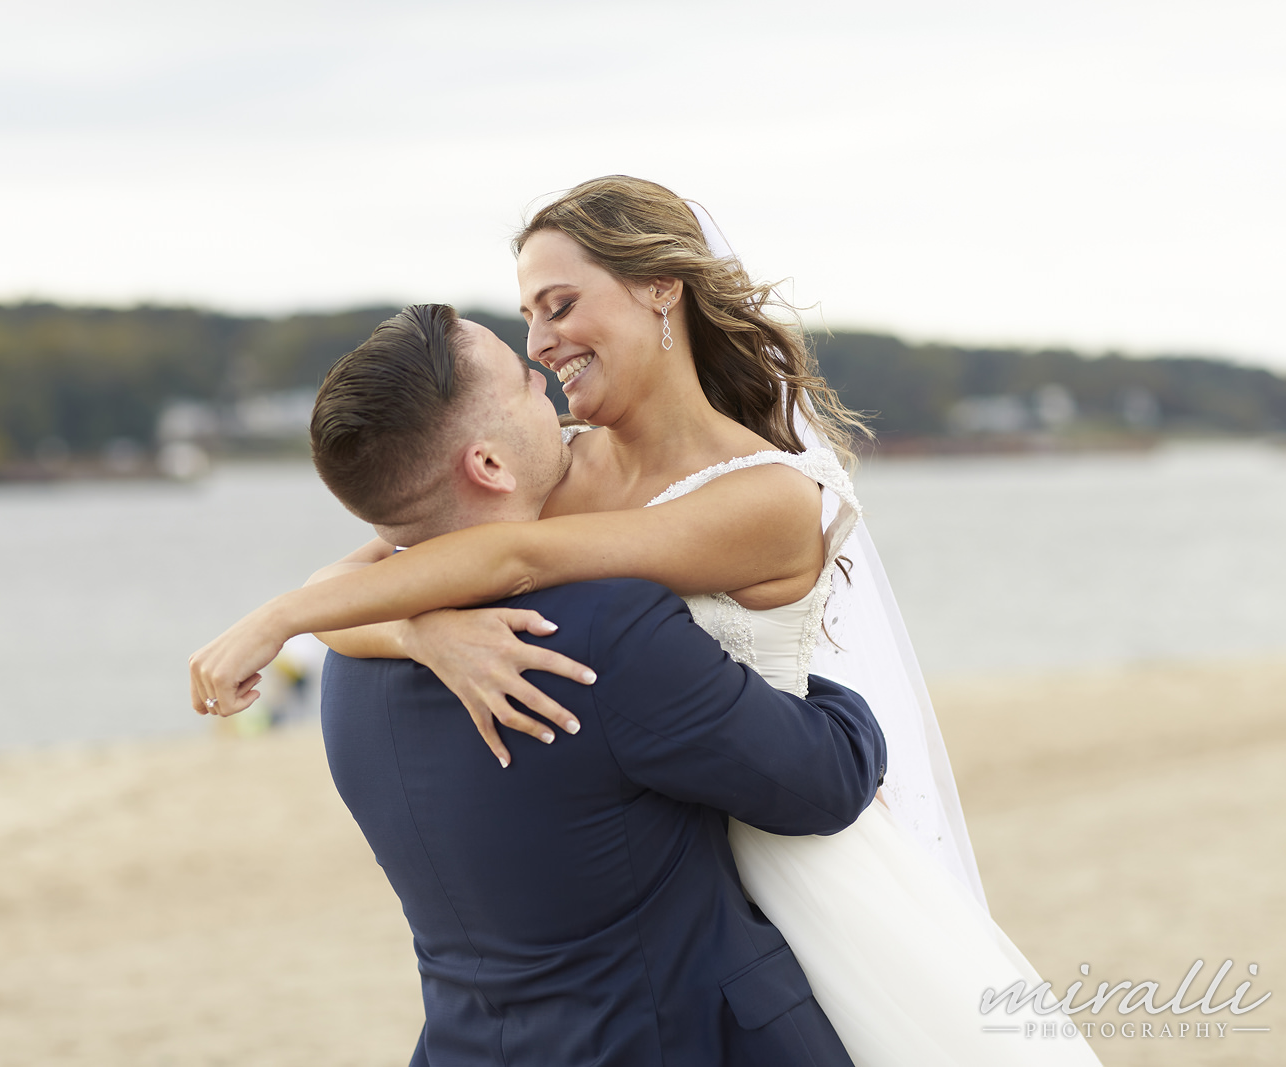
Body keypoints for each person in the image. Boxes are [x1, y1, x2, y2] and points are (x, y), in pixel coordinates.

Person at [190, 177, 1101, 1064]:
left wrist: (283, 619)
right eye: (529, 320)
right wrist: (423, 631)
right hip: (650, 844)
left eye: (558, 304)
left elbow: (512, 561)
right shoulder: (559, 466)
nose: (542, 343)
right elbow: (380, 569)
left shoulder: (769, 499)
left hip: (783, 834)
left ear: (660, 288)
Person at [304, 302, 887, 1065]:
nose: (546, 380)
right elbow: (825, 781)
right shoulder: (601, 631)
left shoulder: (349, 669)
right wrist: (826, 694)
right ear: (487, 465)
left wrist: (413, 626)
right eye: (524, 384)